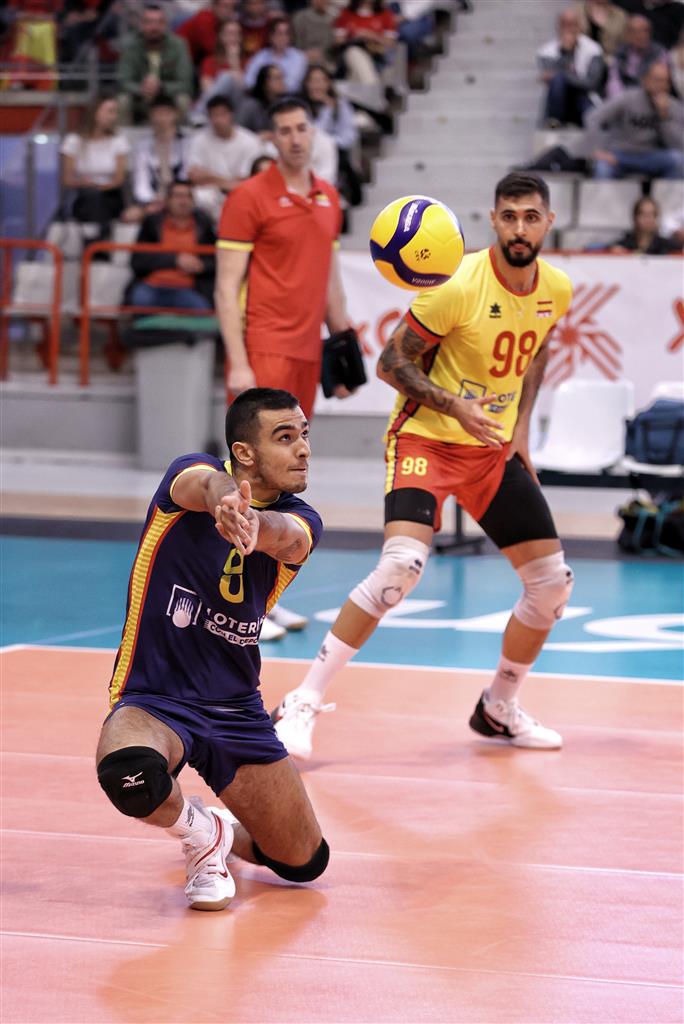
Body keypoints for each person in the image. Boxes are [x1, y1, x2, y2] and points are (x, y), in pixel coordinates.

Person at [272, 171, 577, 760]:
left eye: (531, 217)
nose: (519, 228)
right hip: (426, 442)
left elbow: (537, 350)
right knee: (401, 568)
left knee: (551, 584)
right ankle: (302, 700)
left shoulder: (556, 288)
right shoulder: (454, 284)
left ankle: (498, 707)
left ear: (548, 222)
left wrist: (521, 430)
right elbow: (390, 363)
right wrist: (455, 406)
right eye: (509, 216)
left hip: (491, 449)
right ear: (493, 219)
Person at [95, 388, 329, 911]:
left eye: (304, 435)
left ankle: (222, 828)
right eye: (285, 437)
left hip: (236, 708)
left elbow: (286, 536)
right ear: (244, 452)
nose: (303, 449)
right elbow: (205, 484)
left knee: (303, 862)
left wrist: (255, 526)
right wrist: (227, 500)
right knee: (130, 775)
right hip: (153, 698)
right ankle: (200, 835)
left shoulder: (304, 519)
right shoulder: (188, 477)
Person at [215, 97, 355, 640]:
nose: (295, 138)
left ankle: (265, 595)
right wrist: (239, 359)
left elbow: (329, 278)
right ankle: (234, 595)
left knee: (288, 473)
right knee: (250, 473)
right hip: (264, 347)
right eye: (284, 130)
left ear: (313, 133)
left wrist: (343, 344)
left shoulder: (329, 197)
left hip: (307, 351)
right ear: (272, 138)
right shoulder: (248, 198)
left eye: (302, 128)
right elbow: (226, 286)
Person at [127, 179, 216, 311]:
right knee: (140, 300)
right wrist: (175, 260)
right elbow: (138, 260)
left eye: (188, 196)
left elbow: (217, 259)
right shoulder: (152, 223)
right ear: (167, 200)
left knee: (202, 310)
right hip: (152, 286)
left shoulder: (203, 224)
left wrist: (202, 265)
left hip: (188, 289)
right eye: (178, 196)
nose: (183, 201)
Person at [586, 60, 684, 178]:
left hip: (651, 155)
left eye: (666, 81)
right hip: (621, 154)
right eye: (657, 80)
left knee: (679, 161)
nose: (662, 85)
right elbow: (593, 118)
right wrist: (598, 149)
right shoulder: (627, 99)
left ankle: (663, 191)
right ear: (645, 80)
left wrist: (665, 117)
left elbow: (678, 145)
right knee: (603, 168)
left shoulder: (673, 106)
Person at [60, 95, 130, 243]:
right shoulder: (73, 141)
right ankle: (101, 240)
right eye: (110, 111)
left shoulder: (119, 140)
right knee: (91, 197)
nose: (114, 117)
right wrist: (86, 185)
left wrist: (97, 187)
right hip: (83, 195)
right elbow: (67, 179)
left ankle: (94, 242)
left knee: (97, 198)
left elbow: (119, 179)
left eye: (115, 112)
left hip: (110, 195)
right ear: (95, 112)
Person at [187, 95, 264, 223]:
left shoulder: (250, 141)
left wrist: (210, 177)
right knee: (199, 196)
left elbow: (248, 181)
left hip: (242, 194)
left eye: (222, 114)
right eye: (214, 115)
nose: (218, 120)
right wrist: (230, 182)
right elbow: (194, 176)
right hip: (210, 195)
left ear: (231, 115)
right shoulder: (198, 139)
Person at [118, 2, 193, 124]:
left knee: (183, 100)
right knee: (122, 100)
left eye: (159, 22)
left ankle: (179, 133)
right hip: (139, 98)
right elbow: (123, 81)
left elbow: (185, 83)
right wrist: (140, 88)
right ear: (141, 24)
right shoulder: (130, 46)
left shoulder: (179, 45)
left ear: (166, 25)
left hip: (168, 98)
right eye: (149, 22)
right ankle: (124, 135)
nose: (154, 27)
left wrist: (161, 87)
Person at [537, 7, 605, 127]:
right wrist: (566, 52)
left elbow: (591, 83)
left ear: (580, 27)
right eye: (564, 24)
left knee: (560, 78)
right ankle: (555, 121)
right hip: (558, 102)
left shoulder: (593, 49)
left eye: (572, 24)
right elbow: (553, 82)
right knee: (558, 81)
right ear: (558, 27)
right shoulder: (546, 52)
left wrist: (563, 75)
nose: (568, 29)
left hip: (584, 98)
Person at [130, 94, 188, 218]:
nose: (162, 118)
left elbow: (186, 176)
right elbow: (141, 183)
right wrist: (153, 200)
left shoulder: (187, 144)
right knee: (131, 215)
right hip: (153, 201)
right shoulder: (142, 147)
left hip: (180, 198)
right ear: (151, 116)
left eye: (166, 113)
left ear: (175, 114)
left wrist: (170, 200)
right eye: (158, 113)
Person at [606, 13, 667, 96]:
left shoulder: (659, 53)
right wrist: (620, 99)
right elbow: (614, 80)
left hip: (649, 96)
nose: (641, 35)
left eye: (645, 31)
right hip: (623, 96)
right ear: (628, 35)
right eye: (635, 32)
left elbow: (660, 83)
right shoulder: (620, 53)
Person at [244, 17, 309, 93]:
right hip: (262, 96)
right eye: (279, 33)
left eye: (287, 34)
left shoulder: (298, 57)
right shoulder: (260, 56)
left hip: (288, 96)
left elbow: (292, 84)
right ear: (271, 36)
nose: (283, 37)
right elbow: (248, 80)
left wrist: (268, 87)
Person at [609, 194, 683, 251]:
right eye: (643, 214)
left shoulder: (667, 246)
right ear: (635, 217)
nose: (647, 219)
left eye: (651, 215)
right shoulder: (623, 245)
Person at [175, 0, 237, 64]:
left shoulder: (222, 21)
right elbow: (211, 49)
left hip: (196, 56)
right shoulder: (204, 20)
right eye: (225, 6)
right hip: (182, 59)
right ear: (214, 6)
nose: (229, 11)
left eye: (232, 7)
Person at [235, 63, 286, 135]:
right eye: (277, 78)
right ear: (265, 83)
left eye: (282, 77)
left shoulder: (283, 104)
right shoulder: (250, 106)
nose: (282, 82)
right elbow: (236, 132)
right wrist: (256, 137)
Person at [199, 18, 245, 94]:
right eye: (230, 34)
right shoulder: (209, 61)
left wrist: (235, 64)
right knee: (225, 77)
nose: (234, 38)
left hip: (237, 99)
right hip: (215, 99)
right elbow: (208, 91)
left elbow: (243, 91)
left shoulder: (247, 61)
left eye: (237, 34)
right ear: (220, 36)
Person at [292, 0, 337, 70]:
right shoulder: (300, 17)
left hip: (326, 60)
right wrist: (304, 54)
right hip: (304, 57)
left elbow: (333, 47)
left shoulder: (334, 19)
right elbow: (295, 43)